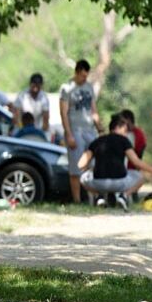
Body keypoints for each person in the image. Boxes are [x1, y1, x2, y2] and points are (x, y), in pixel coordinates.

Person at [78, 114, 152, 210]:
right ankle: (123, 196)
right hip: (119, 183)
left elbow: (80, 165)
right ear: (118, 127)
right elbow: (136, 162)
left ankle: (99, 196)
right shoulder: (124, 141)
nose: (126, 134)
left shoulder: (98, 141)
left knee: (83, 177)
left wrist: (91, 168)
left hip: (99, 183)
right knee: (140, 177)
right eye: (125, 130)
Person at [59, 59, 103, 203]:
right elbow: (63, 113)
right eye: (82, 76)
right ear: (76, 73)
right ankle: (77, 200)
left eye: (86, 76)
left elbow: (93, 109)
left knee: (97, 163)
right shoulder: (66, 88)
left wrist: (99, 126)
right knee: (76, 168)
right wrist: (68, 134)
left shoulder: (89, 87)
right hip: (75, 131)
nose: (84, 78)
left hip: (90, 130)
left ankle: (96, 198)